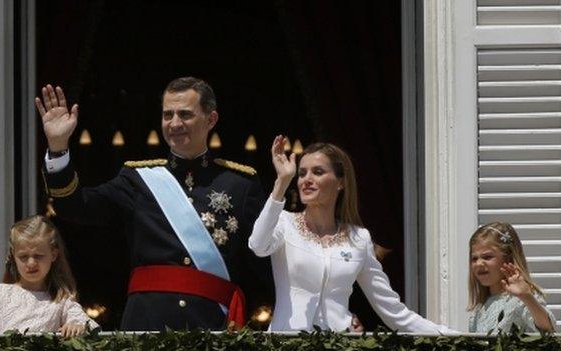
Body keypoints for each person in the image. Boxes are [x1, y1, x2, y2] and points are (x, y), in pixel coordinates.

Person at [36, 77, 268, 331]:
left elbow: (263, 261)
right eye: (168, 115)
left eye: (185, 114)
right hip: (147, 324)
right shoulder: (137, 179)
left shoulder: (240, 184)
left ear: (210, 120)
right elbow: (74, 207)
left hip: (212, 325)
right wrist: (58, 147)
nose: (175, 123)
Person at [248, 136, 453, 332]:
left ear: (341, 182)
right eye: (302, 174)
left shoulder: (359, 238)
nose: (306, 180)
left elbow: (393, 311)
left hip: (340, 342)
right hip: (287, 343)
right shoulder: (284, 223)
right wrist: (282, 182)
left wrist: (456, 337)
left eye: (318, 172)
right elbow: (258, 245)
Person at [0, 215, 97, 336]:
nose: (31, 263)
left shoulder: (61, 300)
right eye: (23, 257)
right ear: (14, 256)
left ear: (53, 255)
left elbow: (90, 328)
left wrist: (78, 327)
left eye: (39, 256)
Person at [468, 222, 556, 333]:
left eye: (487, 257)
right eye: (474, 259)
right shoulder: (480, 308)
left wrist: (526, 297)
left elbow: (547, 328)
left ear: (508, 258)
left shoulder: (520, 299)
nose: (479, 263)